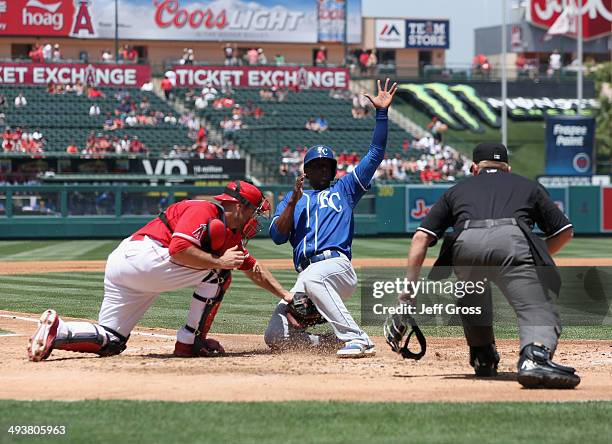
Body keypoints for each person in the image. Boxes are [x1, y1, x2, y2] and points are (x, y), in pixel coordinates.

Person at [27, 181, 294, 361]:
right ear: (239, 206)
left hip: (128, 266)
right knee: (219, 272)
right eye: (253, 210)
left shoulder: (231, 233)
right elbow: (178, 249)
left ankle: (57, 332)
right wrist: (219, 262)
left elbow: (253, 266)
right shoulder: (203, 209)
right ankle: (190, 342)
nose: (254, 218)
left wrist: (285, 294)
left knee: (112, 340)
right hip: (145, 256)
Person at [386, 142, 579, 389]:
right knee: (536, 306)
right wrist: (533, 258)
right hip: (512, 240)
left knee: (472, 294)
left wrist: (407, 295)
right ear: (507, 169)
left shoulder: (456, 190)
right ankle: (534, 357)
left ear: (474, 168)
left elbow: (421, 238)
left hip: (465, 244)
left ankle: (482, 355)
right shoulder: (528, 185)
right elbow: (565, 232)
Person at [265, 78, 398, 358]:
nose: (323, 169)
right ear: (306, 171)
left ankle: (358, 338)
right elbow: (277, 236)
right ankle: (330, 342)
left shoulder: (345, 189)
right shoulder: (294, 199)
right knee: (275, 336)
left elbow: (375, 155)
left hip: (336, 267)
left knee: (313, 276)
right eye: (317, 165)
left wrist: (382, 113)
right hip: (308, 274)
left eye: (328, 165)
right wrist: (292, 201)